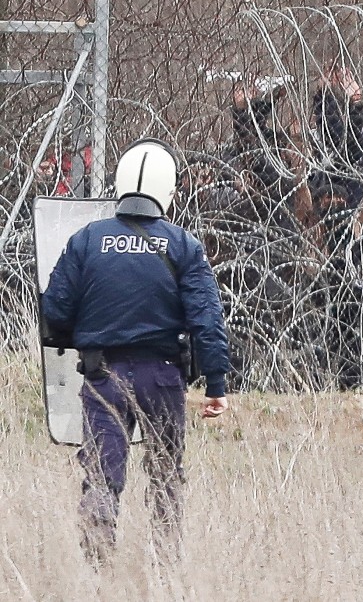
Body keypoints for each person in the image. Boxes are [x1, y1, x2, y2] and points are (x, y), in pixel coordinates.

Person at [41, 138, 231, 566]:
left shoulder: (87, 240)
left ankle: (98, 571)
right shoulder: (183, 246)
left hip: (104, 376)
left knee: (102, 476)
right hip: (163, 378)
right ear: (168, 192)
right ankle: (166, 569)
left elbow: (53, 309)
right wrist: (216, 383)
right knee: (166, 478)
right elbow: (207, 319)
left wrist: (86, 332)